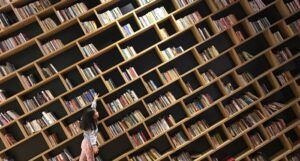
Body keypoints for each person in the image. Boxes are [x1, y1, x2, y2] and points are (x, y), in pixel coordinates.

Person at [79, 93, 100, 161]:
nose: (97, 112)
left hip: (85, 142)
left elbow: (93, 107)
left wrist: (95, 100)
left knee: (82, 159)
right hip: (88, 145)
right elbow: (91, 136)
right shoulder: (90, 126)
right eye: (95, 113)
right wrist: (94, 146)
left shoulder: (90, 119)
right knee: (90, 159)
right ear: (92, 117)